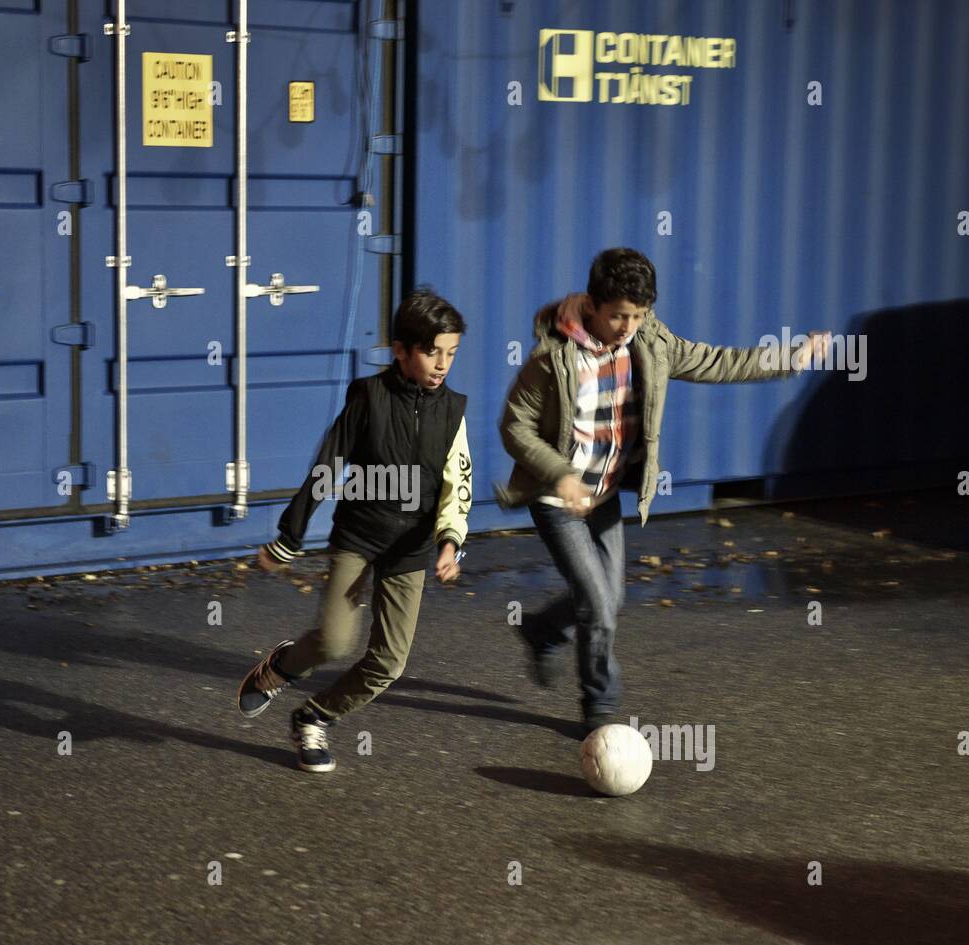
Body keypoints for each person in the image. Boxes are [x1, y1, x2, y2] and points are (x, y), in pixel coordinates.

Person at [498, 247, 830, 735]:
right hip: (558, 499)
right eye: (618, 316)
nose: (628, 326)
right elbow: (515, 426)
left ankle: (544, 630)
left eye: (638, 315)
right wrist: (560, 474)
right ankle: (601, 710)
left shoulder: (651, 342)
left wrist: (790, 357)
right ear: (591, 305)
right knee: (597, 603)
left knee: (612, 600)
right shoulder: (553, 359)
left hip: (604, 496)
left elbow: (717, 361)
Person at [237, 289, 473, 772]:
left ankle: (313, 717)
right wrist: (291, 534)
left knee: (389, 663)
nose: (442, 363)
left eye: (451, 353)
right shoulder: (370, 396)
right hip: (360, 536)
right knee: (334, 642)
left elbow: (458, 481)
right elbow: (330, 461)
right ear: (400, 350)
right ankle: (279, 668)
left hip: (411, 547)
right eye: (432, 351)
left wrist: (451, 540)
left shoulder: (453, 409)